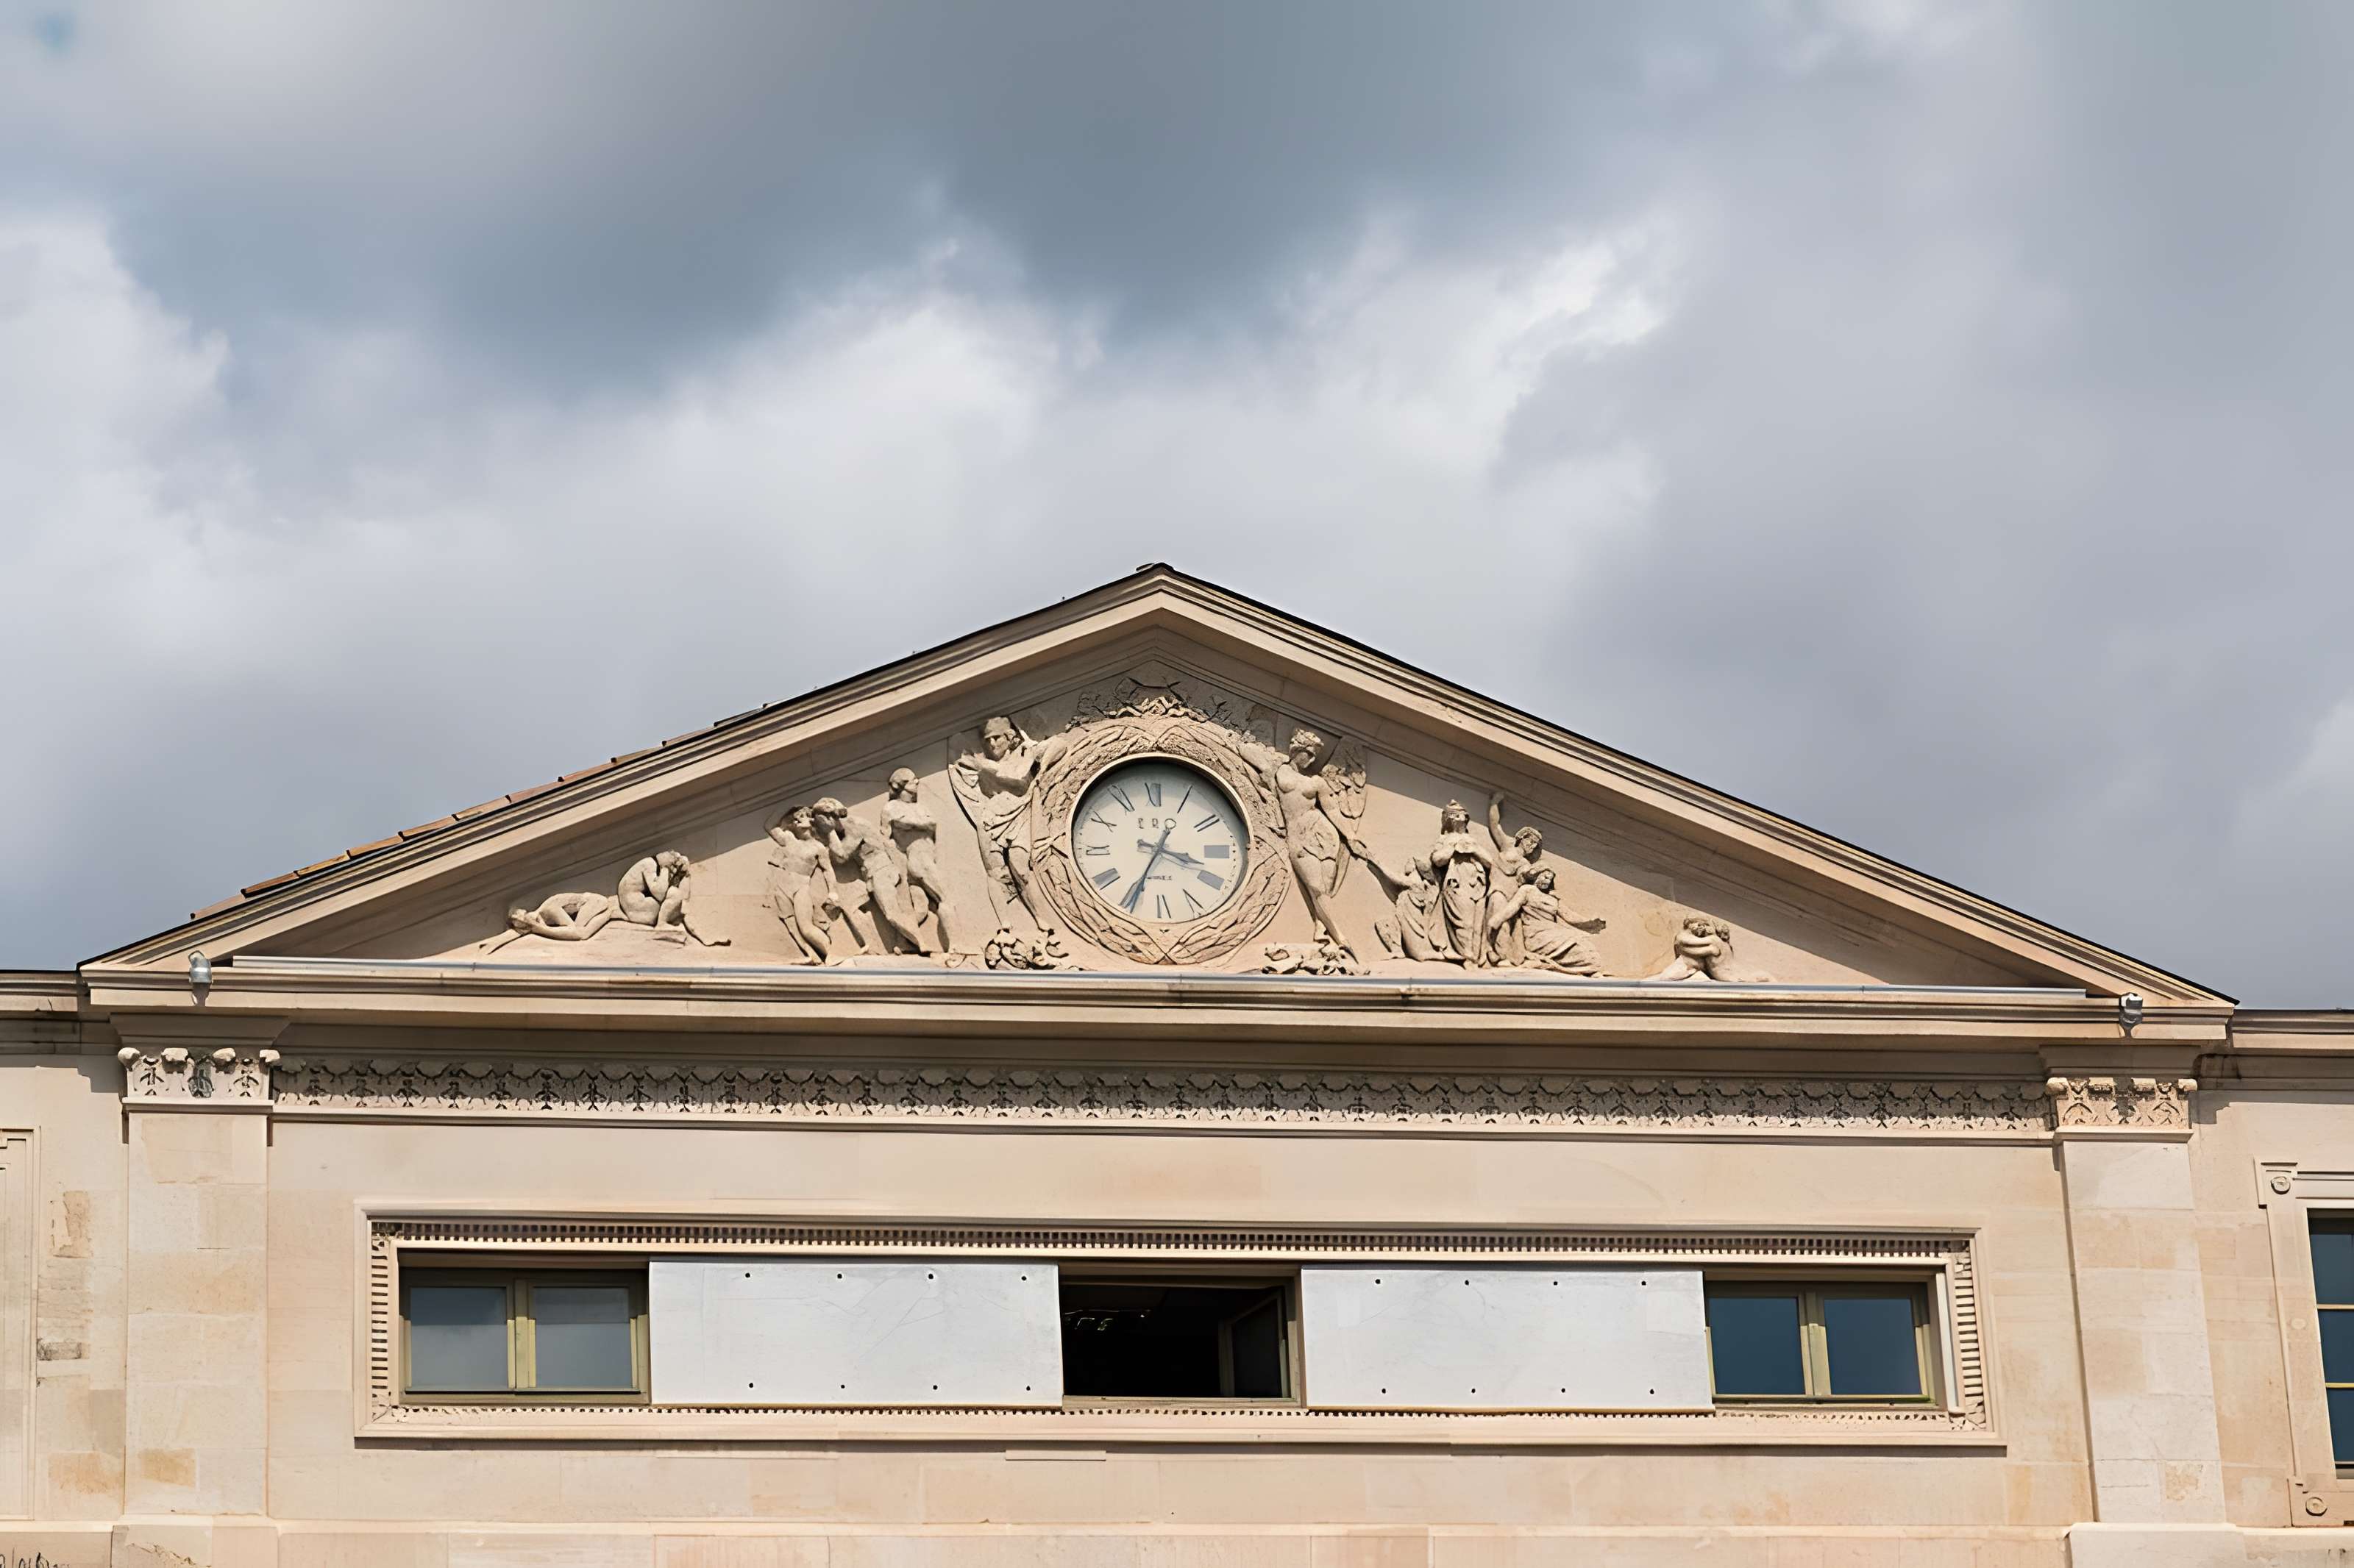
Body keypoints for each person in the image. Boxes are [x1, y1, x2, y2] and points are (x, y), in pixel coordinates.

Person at [1239, 728, 1369, 958]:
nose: (1311, 759)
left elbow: (1331, 811)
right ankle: (1340, 936)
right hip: (1297, 833)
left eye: (1314, 756)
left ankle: (1321, 929)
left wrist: (1350, 835)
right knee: (1316, 887)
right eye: (1307, 753)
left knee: (1325, 888)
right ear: (1295, 750)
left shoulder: (1317, 782)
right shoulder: (1278, 771)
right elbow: (1245, 750)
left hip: (1323, 833)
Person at [948, 716, 1072, 927]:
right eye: (987, 740)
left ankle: (1040, 919)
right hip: (990, 819)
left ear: (1009, 736)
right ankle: (1006, 925)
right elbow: (960, 761)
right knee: (995, 873)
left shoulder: (1026, 752)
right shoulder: (982, 764)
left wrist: (1042, 767)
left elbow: (1059, 745)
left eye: (996, 738)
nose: (992, 744)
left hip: (1020, 815)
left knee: (1020, 868)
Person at [811, 797, 934, 955]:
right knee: (852, 906)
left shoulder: (855, 825)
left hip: (881, 871)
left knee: (891, 913)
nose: (820, 828)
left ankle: (922, 943)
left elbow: (841, 856)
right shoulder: (844, 829)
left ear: (829, 818)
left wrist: (829, 832)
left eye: (821, 823)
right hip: (872, 873)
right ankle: (901, 943)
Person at [882, 769, 959, 952]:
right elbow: (886, 838)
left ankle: (903, 943)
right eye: (912, 780)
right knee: (946, 898)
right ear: (901, 785)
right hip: (919, 861)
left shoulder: (920, 808)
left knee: (921, 909)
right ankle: (956, 945)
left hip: (925, 860)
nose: (917, 783)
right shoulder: (891, 808)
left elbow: (931, 828)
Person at [1489, 868, 1607, 976]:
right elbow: (1513, 907)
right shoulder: (1528, 890)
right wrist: (1497, 920)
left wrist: (1590, 923)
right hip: (1537, 935)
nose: (1547, 881)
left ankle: (1584, 968)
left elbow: (1569, 916)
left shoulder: (1553, 898)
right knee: (1577, 945)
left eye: (1549, 879)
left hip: (1555, 933)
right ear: (1536, 875)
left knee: (1586, 948)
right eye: (1545, 877)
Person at [765, 806, 839, 963]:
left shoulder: (818, 847)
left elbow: (828, 871)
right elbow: (770, 826)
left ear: (813, 821)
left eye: (803, 816)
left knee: (806, 927)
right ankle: (811, 955)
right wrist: (788, 809)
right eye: (796, 817)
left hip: (801, 886)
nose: (798, 819)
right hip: (782, 886)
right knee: (791, 924)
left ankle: (832, 954)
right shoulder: (789, 839)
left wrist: (833, 892)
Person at [1427, 801, 1496, 966]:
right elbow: (1437, 860)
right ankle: (1468, 957)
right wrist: (1454, 848)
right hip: (1457, 885)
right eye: (1454, 815)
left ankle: (1476, 958)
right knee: (1464, 922)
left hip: (1477, 886)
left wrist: (1474, 850)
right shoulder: (1445, 839)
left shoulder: (1472, 840)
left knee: (1478, 925)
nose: (1459, 818)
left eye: (1461, 815)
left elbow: (1490, 862)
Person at [616, 851, 729, 947]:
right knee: (675, 895)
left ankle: (704, 939)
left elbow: (684, 902)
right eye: (673, 863)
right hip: (637, 908)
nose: (674, 869)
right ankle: (662, 924)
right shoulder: (649, 864)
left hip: (641, 908)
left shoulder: (657, 868)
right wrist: (665, 868)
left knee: (678, 905)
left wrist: (685, 876)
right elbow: (660, 893)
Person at [480, 890, 617, 952]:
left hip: (594, 902)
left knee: (581, 933)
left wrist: (537, 928)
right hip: (594, 904)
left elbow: (573, 932)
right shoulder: (541, 919)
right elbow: (516, 933)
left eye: (525, 923)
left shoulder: (549, 909)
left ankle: (611, 912)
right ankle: (611, 913)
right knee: (584, 934)